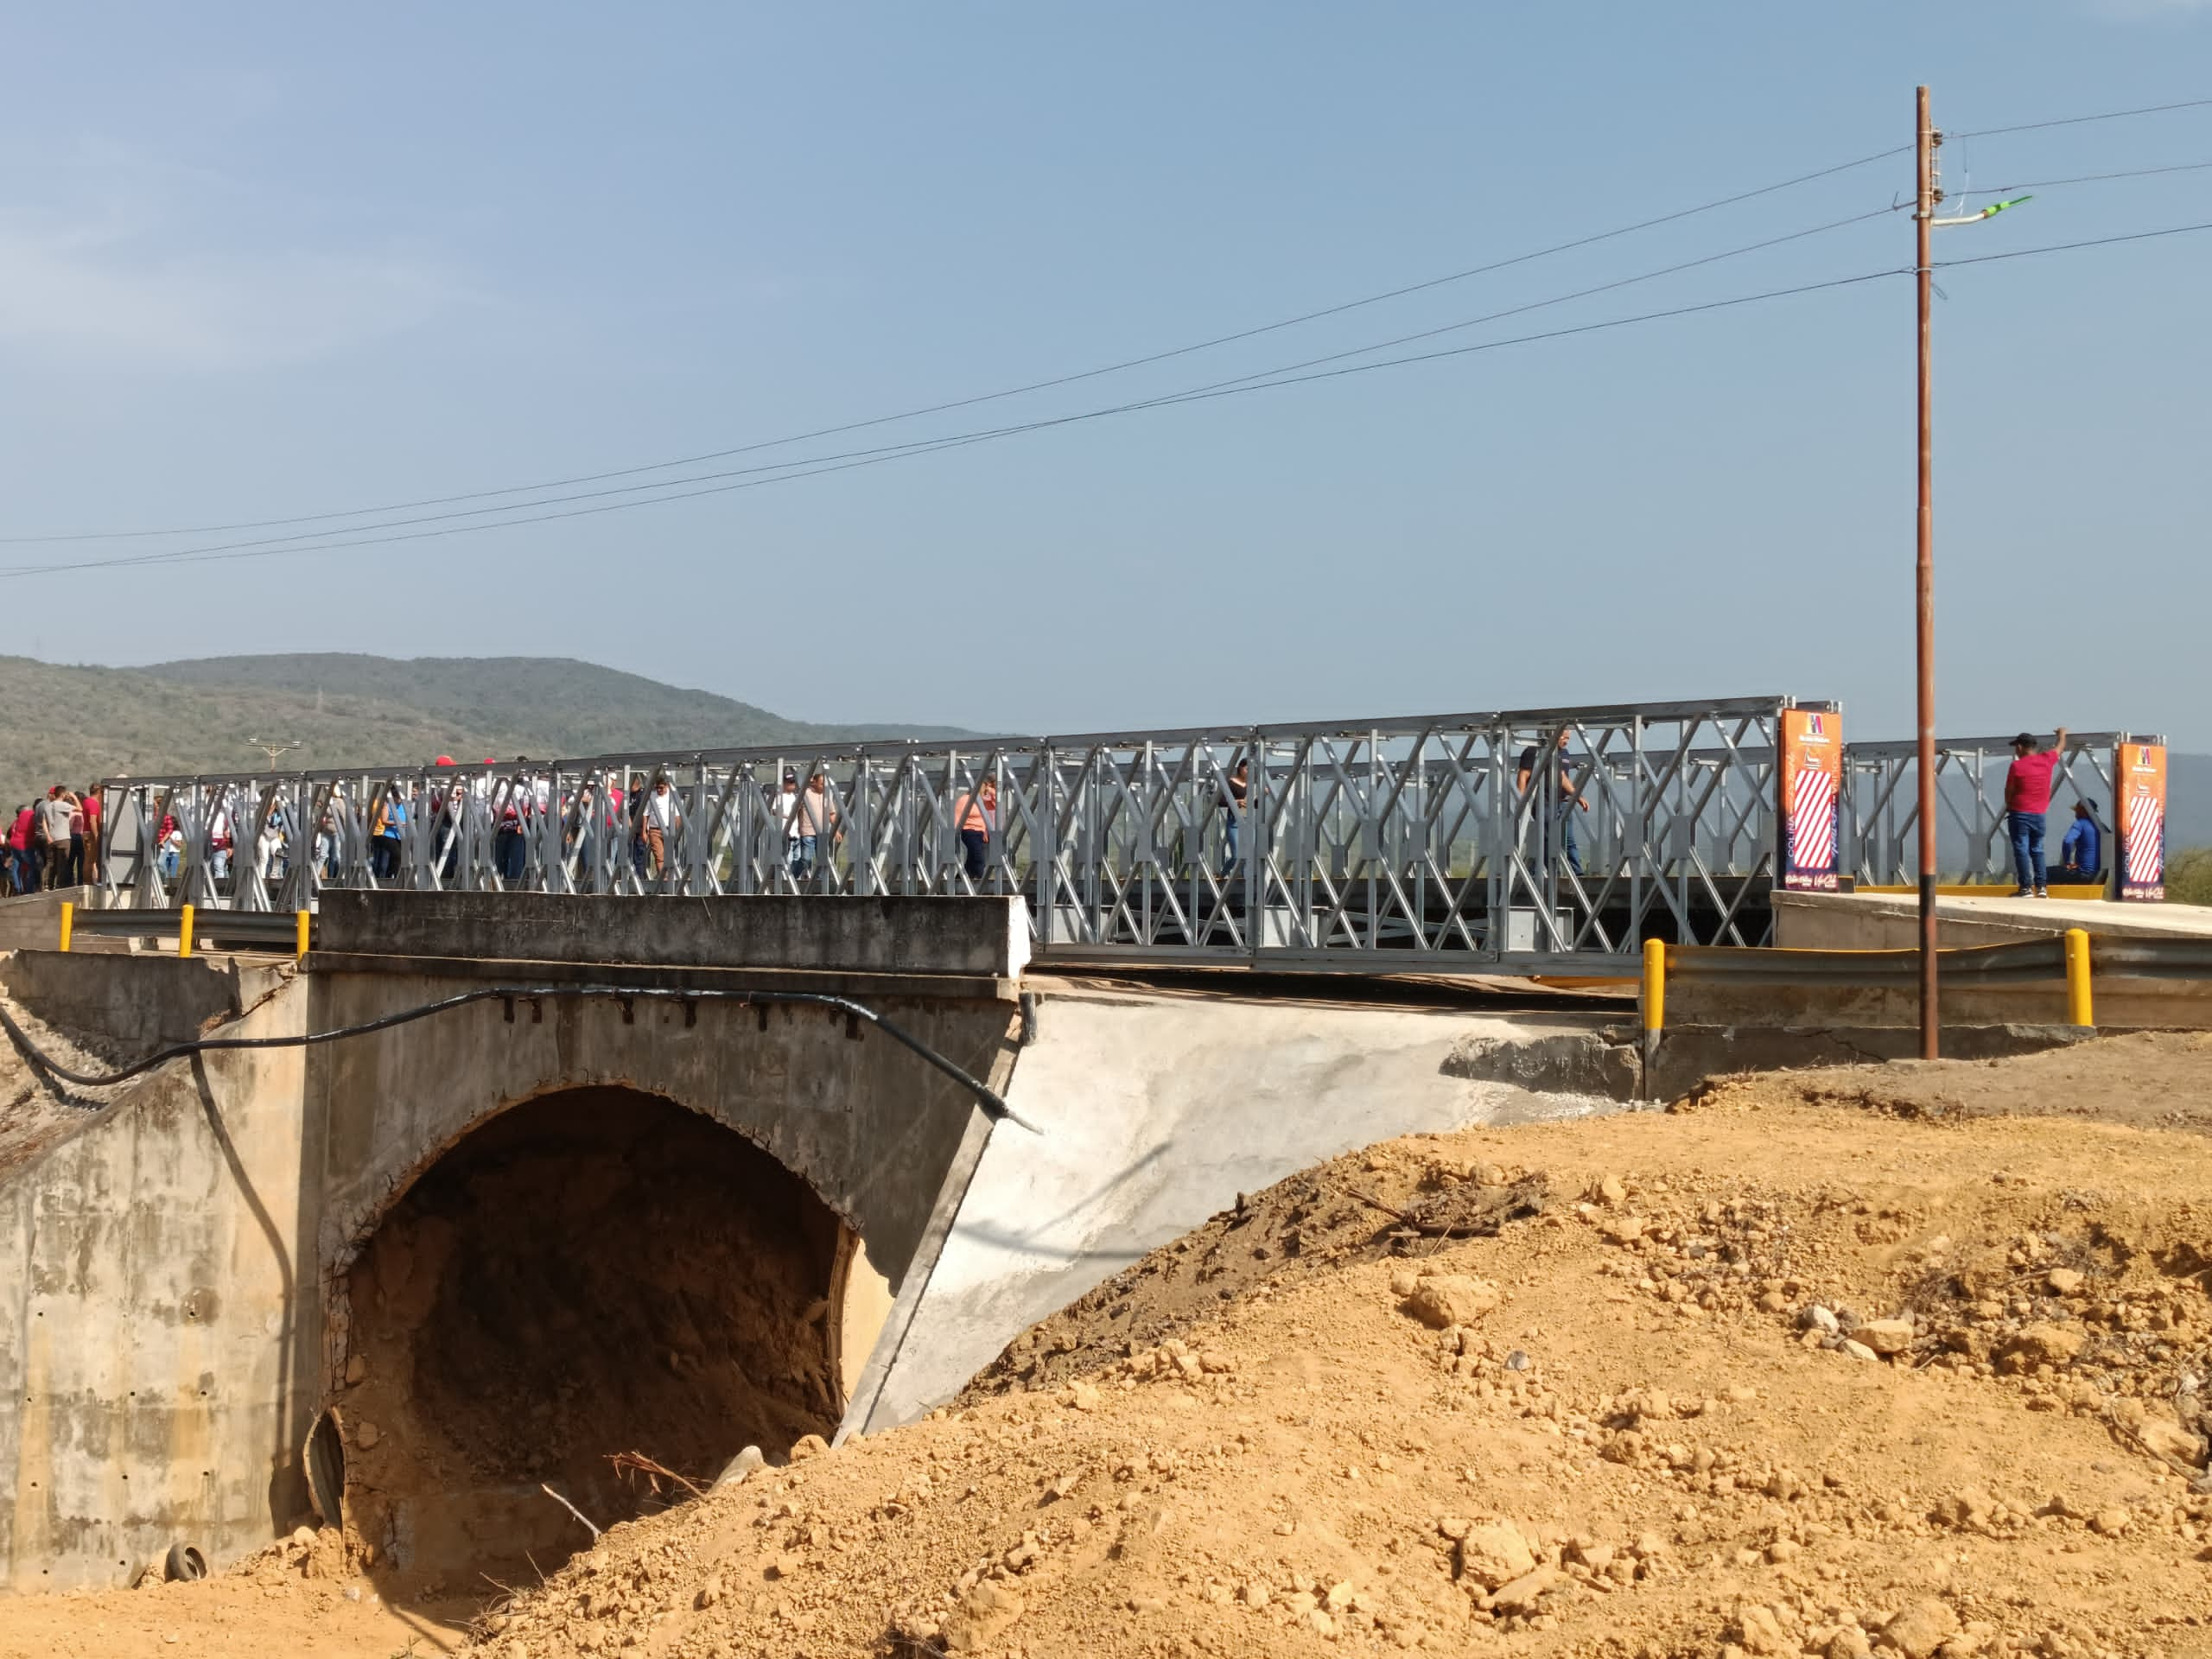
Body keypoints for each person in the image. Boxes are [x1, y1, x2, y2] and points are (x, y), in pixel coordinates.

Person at [2002, 727, 2068, 899]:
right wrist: (2062, 735)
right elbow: (2060, 747)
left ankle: (2025, 888)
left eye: (2016, 747)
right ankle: (2042, 888)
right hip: (2039, 815)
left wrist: (2009, 805)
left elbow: (2009, 790)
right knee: (2037, 849)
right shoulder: (2047, 760)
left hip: (2019, 813)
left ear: (2020, 747)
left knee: (2021, 849)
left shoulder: (2016, 766)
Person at [1516, 731, 1587, 876]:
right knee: (1548, 836)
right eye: (1563, 737)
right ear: (1552, 734)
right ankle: (1552, 872)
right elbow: (1523, 775)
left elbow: (1563, 778)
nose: (1566, 741)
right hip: (1543, 802)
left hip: (1562, 802)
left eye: (1568, 738)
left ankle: (1576, 872)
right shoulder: (1533, 751)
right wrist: (1522, 801)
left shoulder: (1563, 753)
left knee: (1568, 838)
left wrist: (1577, 797)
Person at [952, 776, 997, 883]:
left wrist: (990, 790)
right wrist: (954, 834)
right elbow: (957, 817)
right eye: (984, 786)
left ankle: (958, 881)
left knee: (971, 861)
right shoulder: (965, 800)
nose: (986, 789)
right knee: (979, 858)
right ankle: (983, 884)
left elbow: (995, 804)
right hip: (968, 832)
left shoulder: (982, 801)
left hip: (980, 833)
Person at [794, 772, 837, 882]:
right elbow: (795, 810)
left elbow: (831, 813)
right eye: (822, 783)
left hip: (823, 832)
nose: (824, 786)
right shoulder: (805, 794)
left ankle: (820, 881)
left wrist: (836, 830)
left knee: (822, 858)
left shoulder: (827, 796)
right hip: (808, 831)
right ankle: (793, 876)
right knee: (806, 859)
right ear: (815, 783)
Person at [643, 774, 681, 880]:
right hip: (654, 830)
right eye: (657, 787)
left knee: (669, 855)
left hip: (669, 830)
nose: (659, 790)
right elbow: (645, 814)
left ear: (667, 786)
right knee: (659, 856)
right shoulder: (652, 796)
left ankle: (670, 877)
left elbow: (677, 816)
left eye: (661, 788)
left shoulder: (672, 797)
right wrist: (644, 831)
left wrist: (679, 831)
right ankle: (664, 878)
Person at [2057, 797, 2102, 885]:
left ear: (2083, 811)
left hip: (2083, 874)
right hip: (2098, 875)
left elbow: (2068, 841)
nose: (2075, 814)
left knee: (2045, 874)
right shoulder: (2102, 827)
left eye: (2077, 811)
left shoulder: (2080, 823)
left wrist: (2067, 863)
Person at [41, 788, 77, 889]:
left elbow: (44, 822)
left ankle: (48, 885)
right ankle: (60, 885)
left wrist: (48, 836)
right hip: (63, 838)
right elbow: (79, 808)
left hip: (52, 838)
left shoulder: (47, 807)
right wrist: (74, 797)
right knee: (63, 862)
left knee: (51, 863)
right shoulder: (62, 805)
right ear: (63, 794)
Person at [1219, 759, 1249, 878]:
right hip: (1234, 821)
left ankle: (1244, 880)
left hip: (1248, 820)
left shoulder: (1251, 784)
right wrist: (1237, 802)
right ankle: (1222, 875)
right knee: (1237, 855)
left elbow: (1255, 805)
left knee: (1247, 855)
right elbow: (1221, 802)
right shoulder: (1231, 783)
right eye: (1247, 769)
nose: (1249, 772)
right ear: (1240, 768)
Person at [775, 768, 804, 881]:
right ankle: (787, 878)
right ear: (784, 783)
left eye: (793, 782)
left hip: (797, 831)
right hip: (786, 831)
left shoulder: (795, 796)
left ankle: (794, 878)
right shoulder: (779, 796)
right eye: (789, 782)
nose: (792, 784)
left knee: (799, 857)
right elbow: (774, 811)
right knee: (789, 857)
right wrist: (788, 817)